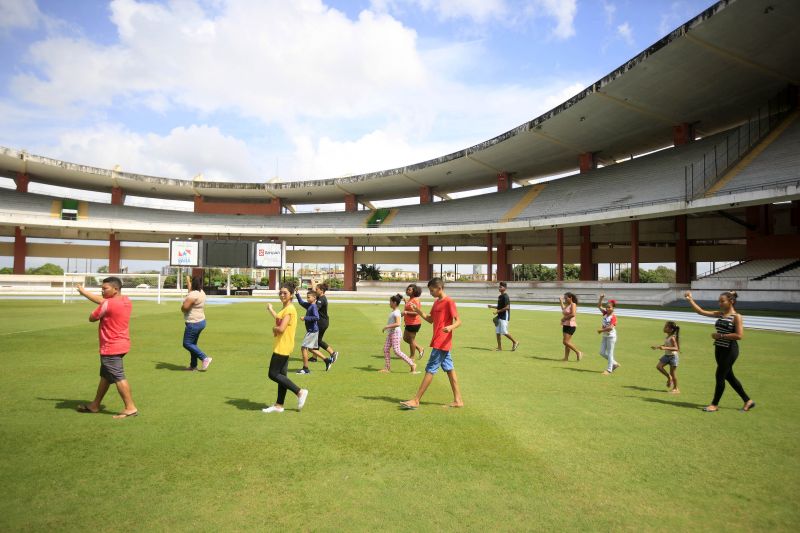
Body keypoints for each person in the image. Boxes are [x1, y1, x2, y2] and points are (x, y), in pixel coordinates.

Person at [75, 276, 139, 419]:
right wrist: (84, 292)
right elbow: (103, 302)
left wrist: (84, 294)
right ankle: (95, 405)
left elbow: (92, 317)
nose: (102, 291)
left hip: (111, 347)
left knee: (118, 376)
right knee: (105, 376)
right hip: (123, 344)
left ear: (115, 289)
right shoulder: (126, 300)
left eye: (105, 288)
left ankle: (130, 407)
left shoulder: (107, 304)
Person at [685, 290, 755, 413]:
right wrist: (690, 299)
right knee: (729, 376)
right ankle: (748, 401)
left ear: (731, 301)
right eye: (719, 301)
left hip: (730, 350)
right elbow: (701, 312)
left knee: (719, 375)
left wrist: (721, 335)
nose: (720, 303)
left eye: (722, 301)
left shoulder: (737, 317)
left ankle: (714, 404)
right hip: (719, 349)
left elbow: (739, 335)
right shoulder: (721, 314)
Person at [400, 278, 463, 409]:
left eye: (432, 290)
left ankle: (416, 400)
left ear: (439, 288)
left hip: (442, 341)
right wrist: (417, 310)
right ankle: (458, 400)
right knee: (450, 370)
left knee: (430, 369)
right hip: (439, 340)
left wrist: (450, 327)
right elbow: (430, 319)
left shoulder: (449, 302)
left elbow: (458, 321)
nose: (430, 292)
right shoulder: (436, 303)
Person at [263, 283, 308, 413]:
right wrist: (271, 310)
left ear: (291, 295)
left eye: (285, 293)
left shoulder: (289, 309)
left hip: (283, 346)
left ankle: (299, 392)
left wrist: (274, 329)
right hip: (283, 344)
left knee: (273, 374)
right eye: (280, 293)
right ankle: (279, 405)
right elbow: (279, 318)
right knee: (282, 376)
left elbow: (281, 328)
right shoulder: (285, 308)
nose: (282, 295)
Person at [299, 283, 339, 364]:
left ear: (321, 290)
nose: (315, 290)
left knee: (318, 340)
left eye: (317, 289)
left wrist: (307, 314)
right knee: (316, 340)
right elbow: (313, 296)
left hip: (322, 322)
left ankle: (333, 353)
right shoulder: (319, 297)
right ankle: (314, 357)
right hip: (322, 322)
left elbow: (315, 308)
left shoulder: (322, 299)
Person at [296, 289, 334, 374]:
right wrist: (297, 293)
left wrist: (305, 318)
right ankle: (327, 360)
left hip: (312, 331)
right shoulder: (310, 305)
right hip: (313, 330)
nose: (307, 299)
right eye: (307, 297)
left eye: (309, 297)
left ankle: (305, 369)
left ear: (314, 298)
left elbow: (316, 317)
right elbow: (301, 303)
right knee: (311, 349)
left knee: (303, 348)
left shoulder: (313, 307)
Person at [181, 275, 212, 371]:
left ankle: (204, 358)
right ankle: (193, 366)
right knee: (193, 344)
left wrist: (182, 306)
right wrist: (188, 281)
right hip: (201, 321)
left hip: (193, 323)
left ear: (194, 283)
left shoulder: (193, 295)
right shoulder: (201, 292)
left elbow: (185, 308)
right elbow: (191, 290)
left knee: (187, 343)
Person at [380, 294, 418, 373]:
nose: (389, 303)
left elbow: (398, 323)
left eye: (390, 302)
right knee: (386, 349)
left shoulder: (396, 312)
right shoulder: (394, 311)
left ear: (394, 302)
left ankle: (412, 364)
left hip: (395, 333)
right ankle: (387, 368)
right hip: (391, 333)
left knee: (397, 351)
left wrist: (387, 326)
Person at [488, 281, 519, 351]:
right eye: (499, 286)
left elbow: (507, 307)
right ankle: (499, 347)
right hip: (499, 316)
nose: (499, 288)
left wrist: (498, 311)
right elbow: (499, 306)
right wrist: (492, 306)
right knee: (498, 332)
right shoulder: (500, 296)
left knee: (504, 332)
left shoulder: (506, 296)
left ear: (505, 288)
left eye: (501, 287)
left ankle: (515, 342)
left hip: (504, 316)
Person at [653, 321, 680, 393]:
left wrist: (664, 348)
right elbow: (668, 345)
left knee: (673, 373)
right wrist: (658, 347)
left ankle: (676, 388)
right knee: (659, 366)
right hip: (667, 355)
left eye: (666, 327)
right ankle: (669, 377)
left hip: (673, 357)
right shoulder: (668, 337)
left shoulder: (672, 338)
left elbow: (676, 348)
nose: (664, 328)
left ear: (671, 329)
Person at [596, 294, 619, 375]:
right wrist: (601, 298)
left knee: (610, 353)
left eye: (609, 307)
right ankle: (614, 363)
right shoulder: (605, 313)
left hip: (611, 337)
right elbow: (599, 306)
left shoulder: (613, 317)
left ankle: (609, 370)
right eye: (607, 307)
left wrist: (601, 330)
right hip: (605, 336)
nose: (607, 308)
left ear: (613, 308)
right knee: (602, 352)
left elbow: (610, 328)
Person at [402, 283, 424, 360]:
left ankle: (412, 356)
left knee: (411, 340)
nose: (407, 291)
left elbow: (417, 312)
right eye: (407, 289)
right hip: (409, 323)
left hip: (414, 323)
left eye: (409, 290)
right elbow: (409, 308)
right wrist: (405, 302)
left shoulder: (416, 300)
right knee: (405, 338)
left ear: (414, 291)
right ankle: (419, 348)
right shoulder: (410, 299)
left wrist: (406, 312)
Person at [560, 292, 582, 361]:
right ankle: (566, 358)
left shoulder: (573, 304)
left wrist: (564, 318)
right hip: (565, 325)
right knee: (567, 342)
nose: (565, 300)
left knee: (565, 342)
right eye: (564, 298)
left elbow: (573, 314)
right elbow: (563, 309)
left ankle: (578, 352)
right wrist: (561, 301)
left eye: (566, 298)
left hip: (571, 325)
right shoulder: (567, 305)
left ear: (570, 298)